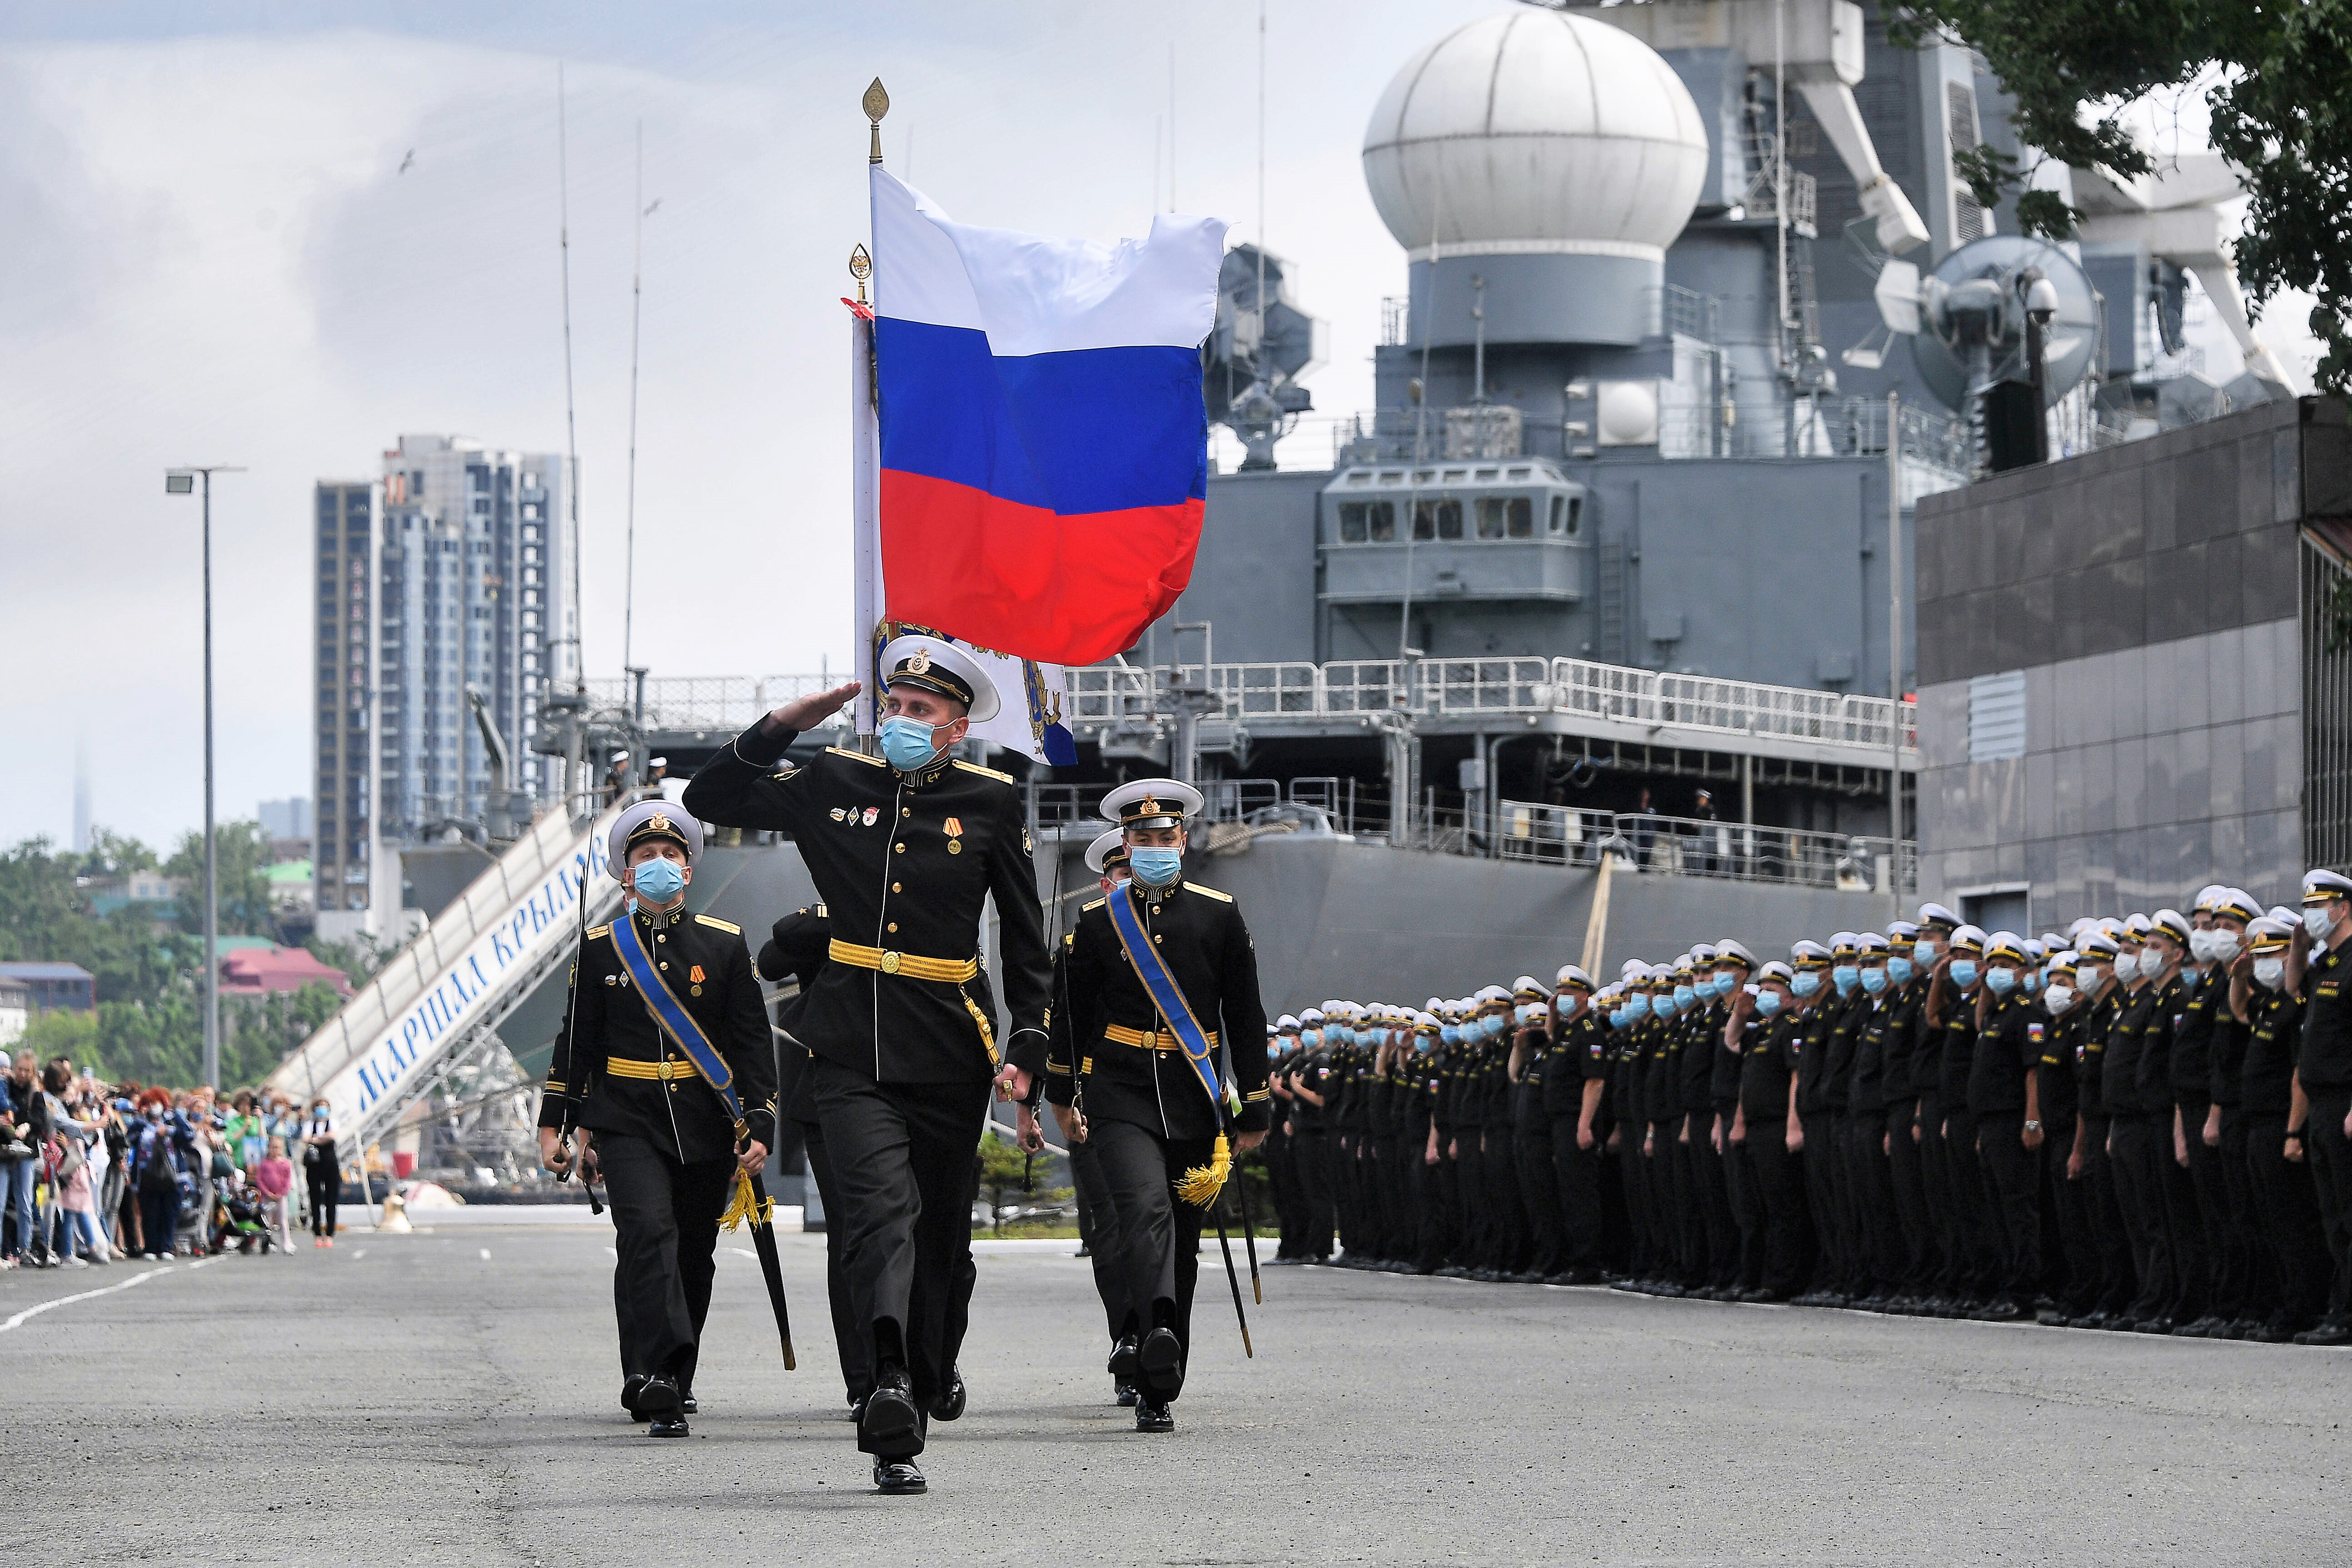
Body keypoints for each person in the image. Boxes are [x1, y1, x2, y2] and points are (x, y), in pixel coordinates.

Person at [682, 638, 1049, 1495]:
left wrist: (1029, 1042)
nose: (902, 721)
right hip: (846, 1041)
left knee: (941, 1237)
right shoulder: (832, 781)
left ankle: (927, 1362)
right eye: (894, 706)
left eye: (922, 712)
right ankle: (886, 1386)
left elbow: (1029, 941)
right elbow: (709, 795)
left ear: (955, 729)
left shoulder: (990, 800)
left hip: (950, 1042)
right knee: (878, 1218)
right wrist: (783, 724)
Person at [1031, 777, 1269, 1434]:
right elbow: (1071, 1017)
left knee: (1184, 1240)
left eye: (1166, 837)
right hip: (1121, 1088)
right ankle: (1155, 1325)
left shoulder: (1218, 914)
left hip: (1194, 1093)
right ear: (1126, 845)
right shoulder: (1097, 922)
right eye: (1142, 839)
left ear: (1183, 841)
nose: (1155, 846)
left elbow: (1245, 1015)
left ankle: (1161, 1376)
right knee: (1142, 1210)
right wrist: (1060, 1093)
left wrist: (1254, 1103)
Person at [536, 800, 775, 1439]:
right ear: (626, 874)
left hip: (705, 1120)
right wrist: (556, 1123)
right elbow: (575, 1045)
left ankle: (675, 1372)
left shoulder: (723, 945)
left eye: (671, 856)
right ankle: (655, 1373)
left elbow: (752, 1044)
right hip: (627, 1119)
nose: (660, 865)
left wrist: (760, 1121)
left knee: (694, 1254)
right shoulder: (598, 949)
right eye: (646, 857)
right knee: (647, 1236)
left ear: (689, 871)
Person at [1044, 827, 1141, 1404]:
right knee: (1109, 1226)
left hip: (1164, 1098)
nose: (1132, 877)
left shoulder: (1189, 928)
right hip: (1097, 1094)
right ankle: (1127, 1340)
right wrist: (1060, 1096)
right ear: (1105, 881)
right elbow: (1063, 1026)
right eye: (1122, 871)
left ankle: (1161, 1331)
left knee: (1159, 1226)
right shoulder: (1081, 941)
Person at [302, 1097, 340, 1247]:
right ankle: (317, 1233)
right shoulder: (309, 1125)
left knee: (331, 1199)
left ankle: (330, 1233)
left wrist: (316, 1139)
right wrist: (320, 1139)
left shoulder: (333, 1123)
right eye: (319, 1107)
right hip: (314, 1164)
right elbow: (306, 1139)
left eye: (324, 1107)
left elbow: (332, 1136)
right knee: (315, 1199)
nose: (322, 1110)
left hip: (330, 1163)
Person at [253, 1137, 295, 1254]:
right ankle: (267, 1242)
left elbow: (288, 1181)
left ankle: (287, 1242)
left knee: (283, 1220)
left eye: (277, 1148)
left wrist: (281, 1193)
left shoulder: (285, 1163)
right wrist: (268, 1193)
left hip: (281, 1197)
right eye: (272, 1147)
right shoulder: (264, 1163)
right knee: (267, 1221)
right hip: (268, 1197)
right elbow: (260, 1180)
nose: (275, 1150)